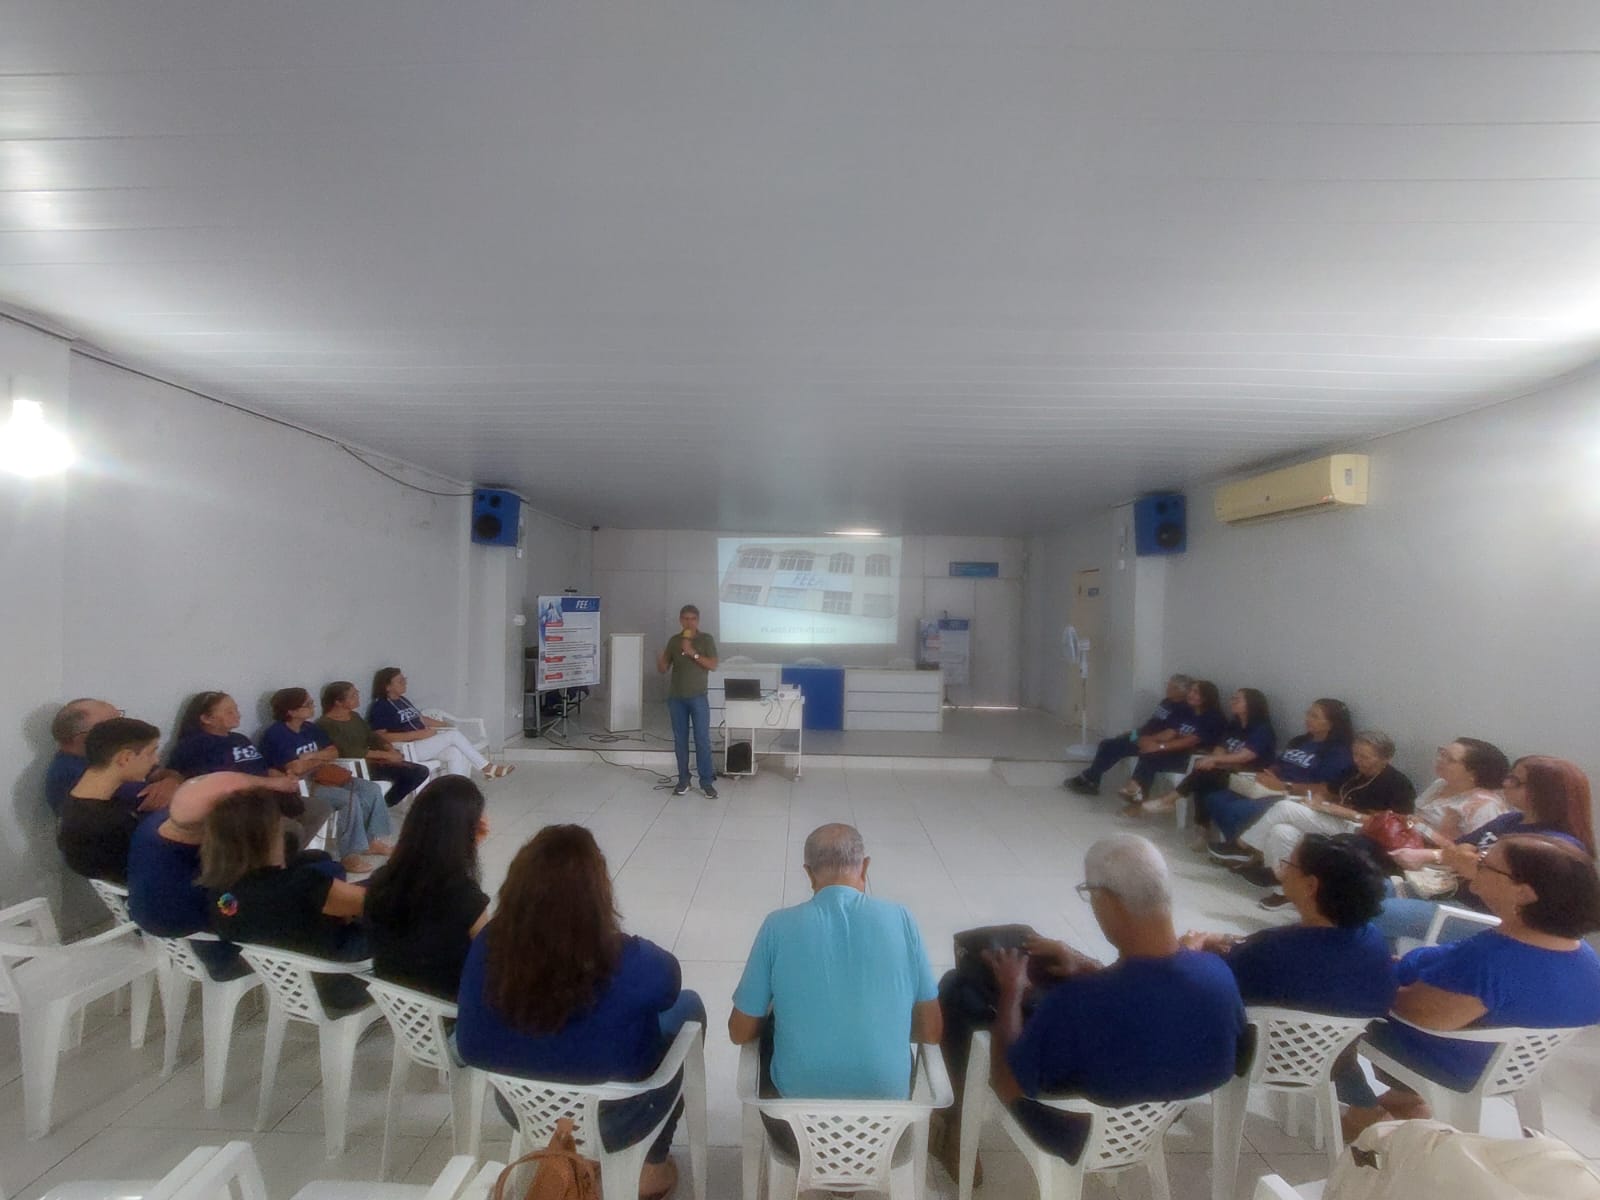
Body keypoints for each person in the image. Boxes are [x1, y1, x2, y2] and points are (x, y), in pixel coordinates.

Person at [455, 825, 702, 1200]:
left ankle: (573, 1150)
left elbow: (469, 1047)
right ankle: (651, 1168)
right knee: (690, 1006)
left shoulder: (489, 943)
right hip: (616, 1119)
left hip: (522, 1108)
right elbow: (670, 986)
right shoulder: (625, 959)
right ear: (598, 896)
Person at [981, 835, 1246, 1165]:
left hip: (1076, 1135)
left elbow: (1006, 1082)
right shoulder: (1218, 974)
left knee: (972, 998)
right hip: (1161, 1122)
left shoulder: (1076, 1003)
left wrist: (1011, 990)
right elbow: (1149, 996)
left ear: (1106, 901)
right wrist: (1087, 964)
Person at [1343, 835, 1600, 1136]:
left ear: (1524, 893)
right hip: (1509, 1062)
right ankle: (1404, 1100)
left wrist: (1370, 975)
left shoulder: (1493, 962)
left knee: (1325, 995)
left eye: (1486, 863)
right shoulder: (1583, 957)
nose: (1476, 862)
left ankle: (1364, 1113)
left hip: (1448, 1058)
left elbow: (1421, 1013)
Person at [730, 824, 941, 1098]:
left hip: (792, 1116)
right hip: (888, 1117)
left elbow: (739, 1031)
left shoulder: (777, 926)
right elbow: (931, 1030)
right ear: (865, 867)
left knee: (771, 1021)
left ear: (808, 873)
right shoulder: (903, 920)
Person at [1376, 757, 1595, 946]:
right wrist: (1465, 860)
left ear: (1544, 792)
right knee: (1366, 890)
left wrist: (1472, 865)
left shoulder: (1554, 846)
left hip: (1484, 916)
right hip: (1450, 891)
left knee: (1375, 912)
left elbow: (1518, 896)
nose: (1505, 783)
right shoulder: (1510, 820)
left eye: (1515, 781)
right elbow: (1458, 848)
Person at [1182, 834, 1396, 1016]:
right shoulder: (1374, 941)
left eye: (1289, 864)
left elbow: (1206, 989)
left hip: (1257, 1047)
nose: (1282, 870)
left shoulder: (1270, 950)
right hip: (1332, 1051)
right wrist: (1228, 940)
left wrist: (1187, 952)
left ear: (1310, 885)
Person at [201, 788, 370, 1011]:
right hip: (340, 982)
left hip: (286, 984)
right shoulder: (302, 885)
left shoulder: (217, 891)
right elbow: (381, 904)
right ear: (268, 836)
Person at [128, 771, 305, 980]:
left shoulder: (160, 823)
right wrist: (274, 856)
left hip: (183, 928)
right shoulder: (208, 888)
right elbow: (265, 908)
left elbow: (219, 784)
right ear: (221, 831)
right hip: (224, 956)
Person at [1238, 731, 1416, 906]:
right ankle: (1285, 890)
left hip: (1362, 833)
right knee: (1281, 831)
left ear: (1386, 759)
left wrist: (1349, 813)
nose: (1357, 760)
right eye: (1355, 754)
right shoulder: (1354, 771)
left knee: (1285, 807)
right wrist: (1317, 800)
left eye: (1365, 757)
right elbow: (1327, 791)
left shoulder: (1399, 784)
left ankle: (1244, 846)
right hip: (1335, 820)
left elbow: (1399, 825)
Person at [365, 776, 490, 998]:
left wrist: (467, 842)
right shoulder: (465, 898)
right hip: (450, 1006)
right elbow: (492, 961)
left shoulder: (381, 880)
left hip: (397, 1002)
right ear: (466, 830)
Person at [168, 690, 331, 854]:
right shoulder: (194, 745)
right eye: (229, 711)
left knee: (319, 808)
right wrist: (272, 784)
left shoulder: (239, 739)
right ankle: (274, 862)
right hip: (236, 807)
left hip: (266, 798)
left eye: (236, 709)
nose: (237, 714)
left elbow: (263, 768)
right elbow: (219, 781)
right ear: (206, 718)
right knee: (291, 829)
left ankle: (286, 858)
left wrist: (284, 778)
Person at [1203, 698, 1356, 862]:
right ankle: (1239, 850)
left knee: (1237, 810)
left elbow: (1325, 790)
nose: (1307, 718)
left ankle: (1245, 850)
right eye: (1308, 713)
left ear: (1331, 724)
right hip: (1270, 787)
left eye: (1314, 716)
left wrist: (1284, 786)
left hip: (1293, 795)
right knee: (1216, 799)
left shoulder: (1338, 753)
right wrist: (1268, 773)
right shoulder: (1299, 741)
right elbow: (1279, 764)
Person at [261, 686, 394, 873]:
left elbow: (334, 751)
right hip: (302, 784)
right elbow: (295, 768)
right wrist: (318, 759)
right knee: (349, 799)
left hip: (326, 773)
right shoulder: (276, 734)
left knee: (371, 789)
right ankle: (350, 855)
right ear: (291, 711)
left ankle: (371, 841)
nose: (313, 706)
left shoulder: (310, 728)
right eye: (307, 704)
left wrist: (311, 757)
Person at [1137, 687, 1276, 820]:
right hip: (1230, 769)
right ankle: (1197, 824)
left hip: (1249, 774)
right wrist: (1212, 760)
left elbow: (1246, 756)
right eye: (1232, 698)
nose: (1232, 701)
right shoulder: (1235, 725)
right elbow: (1220, 747)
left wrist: (1215, 761)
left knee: (1203, 775)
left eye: (1237, 699)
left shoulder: (1262, 729)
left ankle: (1168, 801)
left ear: (1251, 704)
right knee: (1204, 771)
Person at [56, 717, 162, 883]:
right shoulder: (109, 823)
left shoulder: (72, 802)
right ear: (125, 758)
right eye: (151, 753)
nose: (156, 760)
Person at [367, 667, 512, 781]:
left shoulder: (402, 700)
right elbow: (381, 737)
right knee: (453, 736)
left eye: (404, 679)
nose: (405, 682)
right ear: (387, 687)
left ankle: (457, 791)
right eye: (400, 681)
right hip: (407, 749)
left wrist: (444, 724)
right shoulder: (380, 707)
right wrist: (416, 734)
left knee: (455, 753)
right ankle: (487, 768)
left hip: (423, 743)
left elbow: (421, 719)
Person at [1063, 673, 1193, 796]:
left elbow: (1170, 734)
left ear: (1180, 690)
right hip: (1142, 735)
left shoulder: (1183, 709)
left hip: (1152, 742)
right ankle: (1091, 778)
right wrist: (1133, 734)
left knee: (1111, 746)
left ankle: (1090, 779)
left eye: (1170, 686)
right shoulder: (1166, 702)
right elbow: (1150, 724)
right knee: (1109, 743)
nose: (1167, 688)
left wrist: (1145, 739)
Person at [45, 697, 180, 815]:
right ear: (82, 738)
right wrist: (172, 785)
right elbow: (171, 799)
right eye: (112, 726)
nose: (125, 730)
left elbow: (158, 773)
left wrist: (171, 781)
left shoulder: (111, 756)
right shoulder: (72, 774)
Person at [315, 681, 431, 807]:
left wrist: (388, 748)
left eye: (357, 693)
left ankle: (382, 805)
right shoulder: (326, 724)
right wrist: (385, 755)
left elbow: (371, 736)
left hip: (374, 760)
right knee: (416, 773)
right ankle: (384, 806)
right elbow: (347, 750)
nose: (357, 697)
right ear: (338, 702)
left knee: (420, 771)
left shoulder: (354, 716)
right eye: (353, 696)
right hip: (357, 765)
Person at [1116, 679, 1226, 805]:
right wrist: (1149, 740)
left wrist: (1160, 746)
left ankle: (1136, 791)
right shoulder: (1186, 710)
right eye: (1190, 690)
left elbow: (1190, 741)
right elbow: (1171, 732)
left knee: (1152, 754)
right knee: (1146, 751)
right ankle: (1136, 792)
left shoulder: (1213, 718)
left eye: (1195, 692)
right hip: (1175, 752)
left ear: (1206, 697)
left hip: (1191, 758)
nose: (1190, 694)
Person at [655, 604, 719, 799]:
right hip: (676, 698)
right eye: (685, 619)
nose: (689, 622)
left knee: (702, 739)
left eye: (692, 619)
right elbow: (663, 669)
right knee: (680, 741)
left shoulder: (706, 639)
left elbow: (713, 665)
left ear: (698, 621)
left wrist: (692, 652)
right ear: (680, 620)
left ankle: (706, 782)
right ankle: (683, 780)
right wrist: (660, 659)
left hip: (698, 697)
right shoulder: (674, 641)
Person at [1405, 738, 1511, 844]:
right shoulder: (1441, 783)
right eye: (1443, 753)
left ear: (1473, 773)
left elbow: (1478, 849)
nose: (1440, 760)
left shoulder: (1485, 806)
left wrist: (1421, 828)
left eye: (1451, 760)